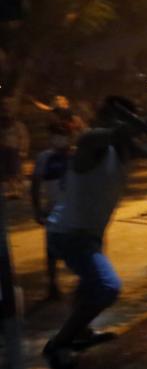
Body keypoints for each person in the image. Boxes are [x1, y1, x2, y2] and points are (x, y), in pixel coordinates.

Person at [41, 96, 147, 369]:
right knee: (107, 287)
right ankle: (58, 344)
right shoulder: (90, 141)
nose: (126, 126)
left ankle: (81, 331)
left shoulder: (124, 148)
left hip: (91, 233)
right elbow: (130, 131)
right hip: (68, 233)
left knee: (88, 284)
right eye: (122, 119)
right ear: (106, 119)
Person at [30, 122, 73, 299]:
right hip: (53, 210)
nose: (57, 138)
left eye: (61, 134)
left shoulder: (77, 156)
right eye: (54, 135)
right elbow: (35, 184)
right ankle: (53, 285)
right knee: (51, 249)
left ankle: (84, 283)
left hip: (74, 210)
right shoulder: (44, 158)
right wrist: (37, 209)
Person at [0, 97, 29, 198]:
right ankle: (11, 190)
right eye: (4, 104)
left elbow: (23, 137)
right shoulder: (2, 122)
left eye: (7, 104)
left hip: (14, 149)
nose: (5, 106)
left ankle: (17, 190)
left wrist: (23, 149)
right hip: (4, 149)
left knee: (15, 171)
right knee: (7, 172)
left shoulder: (17, 124)